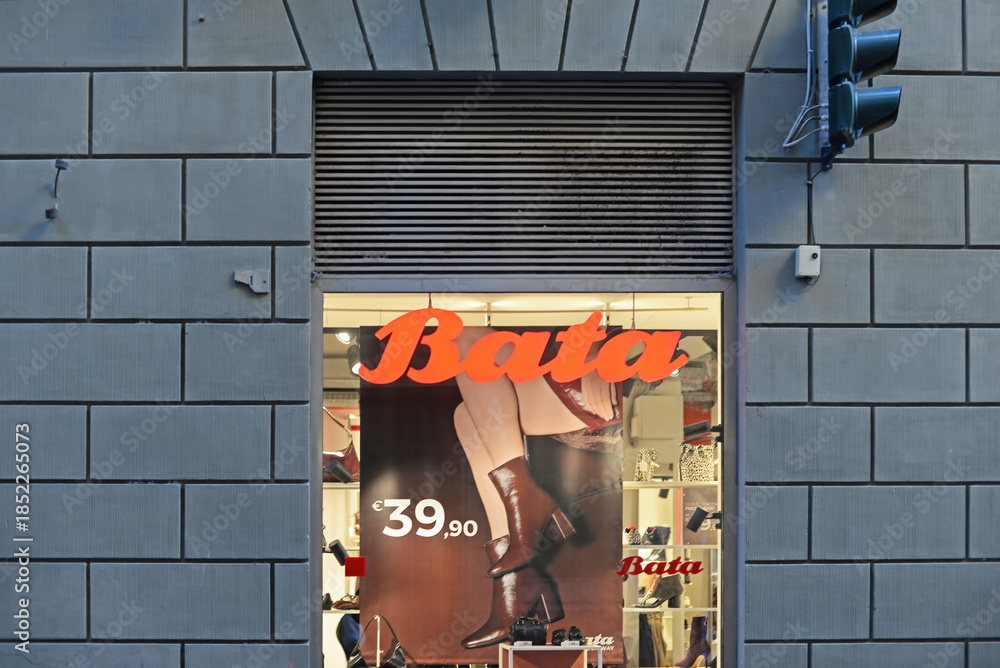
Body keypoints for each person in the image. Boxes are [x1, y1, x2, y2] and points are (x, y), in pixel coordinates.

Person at [452, 324, 623, 648]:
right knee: (466, 416)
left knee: (470, 340)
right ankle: (519, 575)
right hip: (567, 367)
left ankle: (518, 576)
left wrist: (605, 354)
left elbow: (669, 325)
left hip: (606, 382)